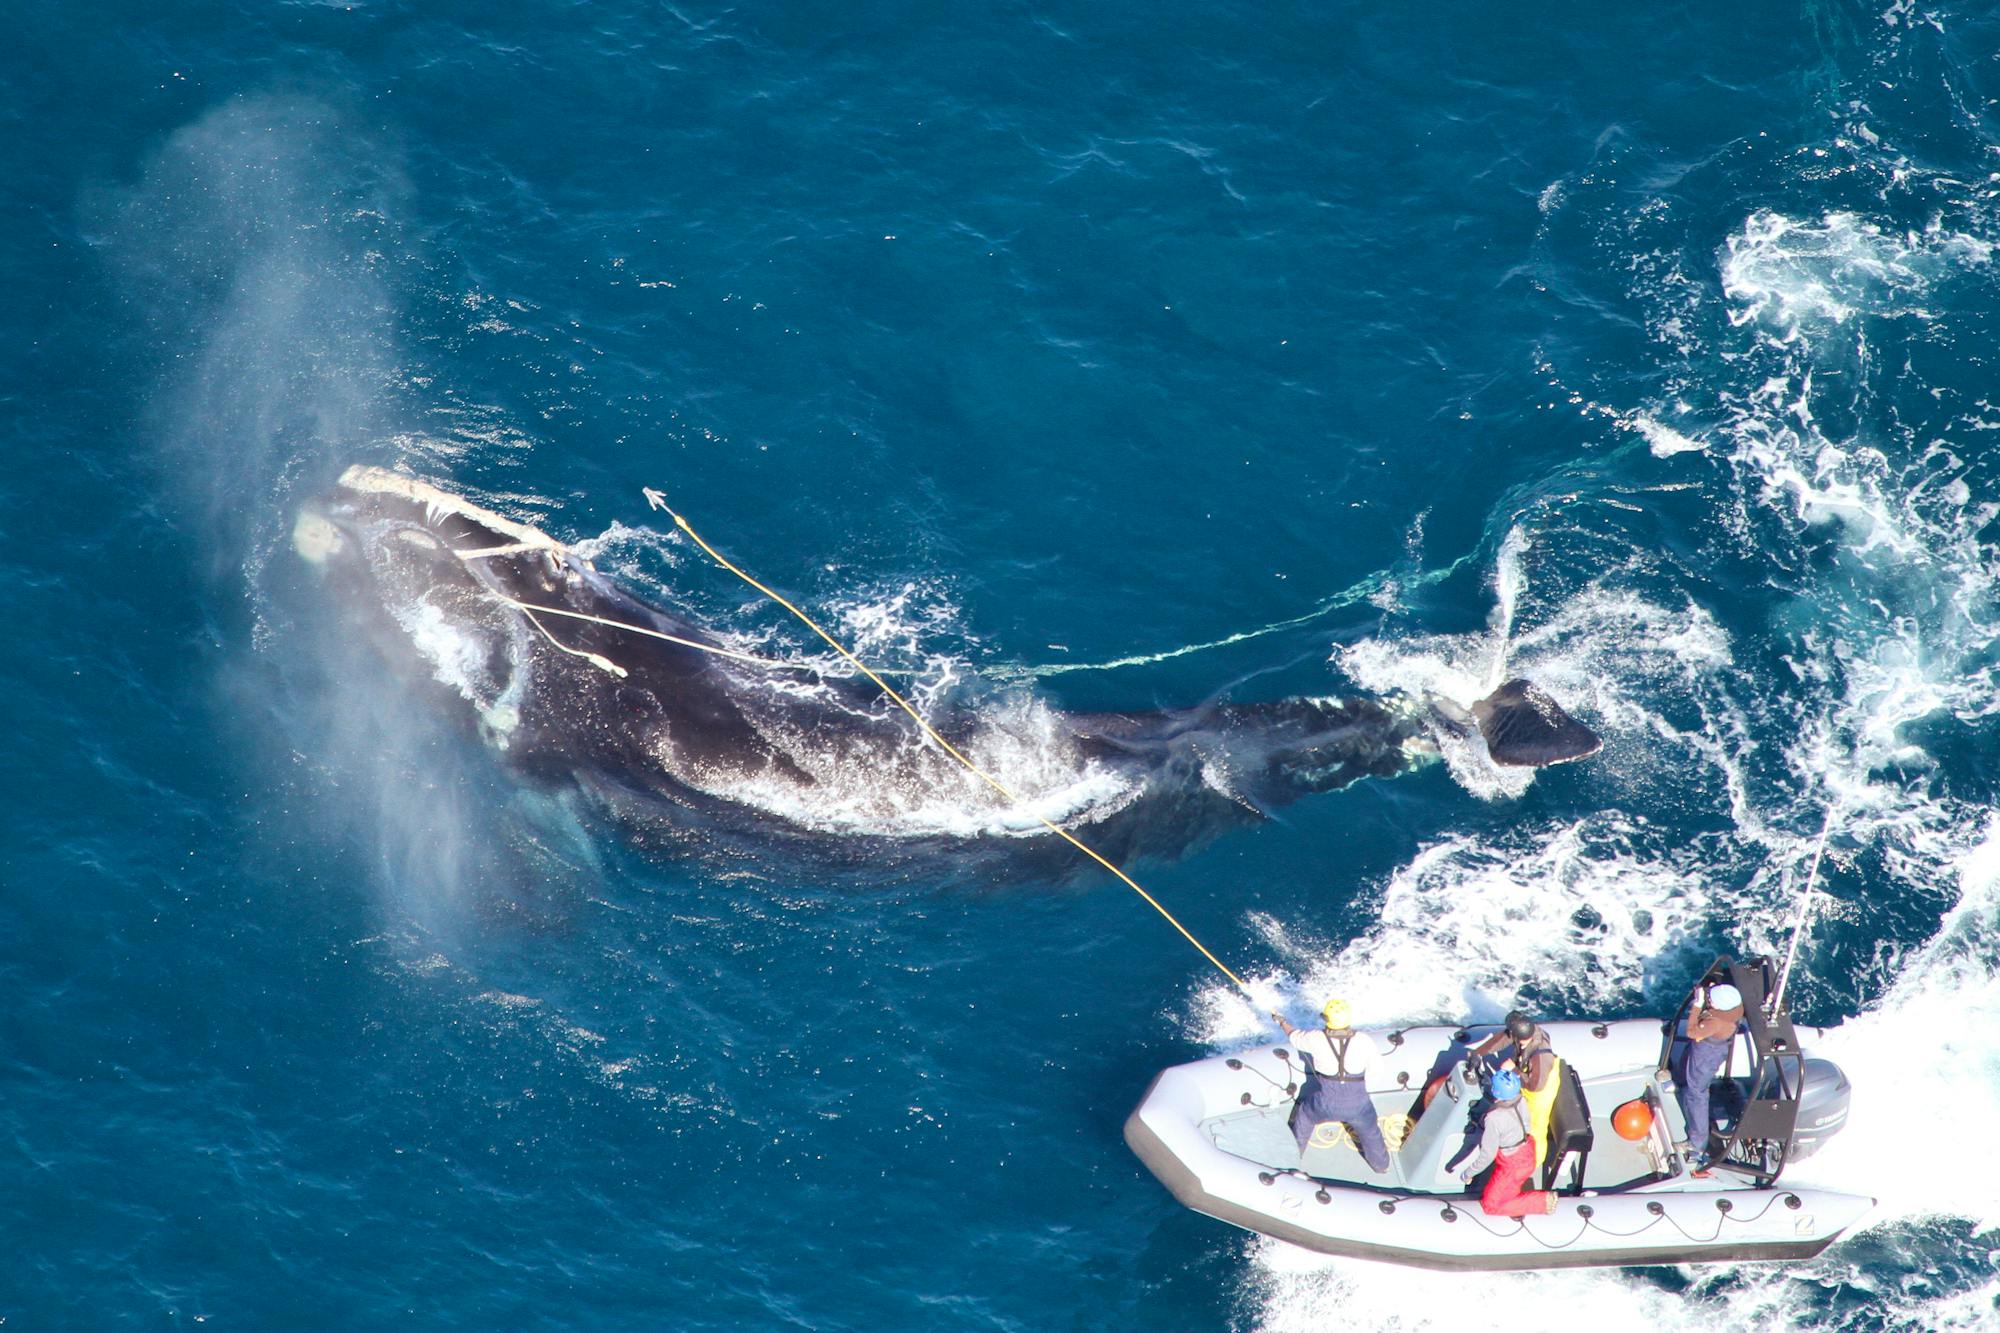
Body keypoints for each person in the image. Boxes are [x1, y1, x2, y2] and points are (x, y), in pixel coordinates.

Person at [1273, 998, 1391, 1174]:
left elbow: (1294, 1037)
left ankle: (1292, 1161)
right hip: (1359, 1105)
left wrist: (1281, 1020)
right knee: (1371, 1131)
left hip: (1325, 1103)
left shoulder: (1315, 1038)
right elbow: (1377, 1070)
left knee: (1305, 1115)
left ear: (1327, 1020)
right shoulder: (1364, 1040)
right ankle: (1381, 1166)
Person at [1450, 1069, 1558, 1217]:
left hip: (1513, 1165)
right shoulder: (1521, 1099)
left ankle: (1543, 1202)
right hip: (1527, 1149)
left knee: (1491, 1206)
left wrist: (1468, 1173)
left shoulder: (1494, 1119)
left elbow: (1487, 1155)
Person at [1468, 1011, 1563, 1170]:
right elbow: (1503, 1039)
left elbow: (1536, 1085)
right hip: (1528, 1078)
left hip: (1540, 1090)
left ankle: (1533, 1162)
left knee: (1535, 1128)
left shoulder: (1540, 1056)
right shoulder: (1525, 1033)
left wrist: (1514, 1070)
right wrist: (1478, 1054)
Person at [1676, 981, 1745, 1177]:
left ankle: (1697, 1145)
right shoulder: (1733, 1009)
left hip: (1707, 1053)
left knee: (1696, 1093)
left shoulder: (1715, 1022)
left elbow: (1692, 1032)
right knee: (1690, 1081)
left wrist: (1697, 1006)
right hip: (1711, 1049)